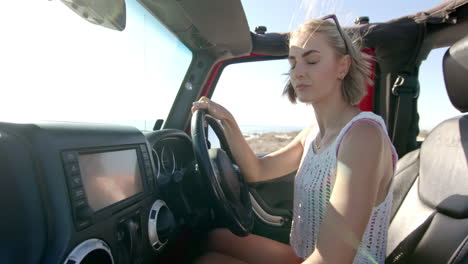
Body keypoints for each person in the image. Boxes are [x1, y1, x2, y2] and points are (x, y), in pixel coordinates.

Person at [192, 15, 397, 264]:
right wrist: (229, 121)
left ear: (343, 67)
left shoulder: (363, 137)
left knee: (208, 261)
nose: (298, 73)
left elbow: (332, 260)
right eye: (293, 63)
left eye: (311, 61)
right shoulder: (312, 134)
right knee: (213, 239)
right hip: (306, 255)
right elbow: (257, 170)